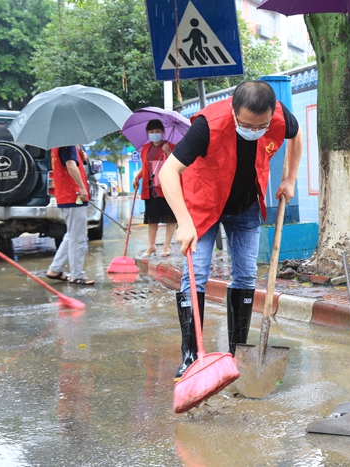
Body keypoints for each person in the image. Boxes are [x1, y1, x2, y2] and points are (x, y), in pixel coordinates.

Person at [159, 80, 302, 381]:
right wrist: (184, 222)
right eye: (246, 124)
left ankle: (237, 352)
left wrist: (290, 178)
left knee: (247, 274)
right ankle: (190, 356)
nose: (254, 130)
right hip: (204, 203)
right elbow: (168, 172)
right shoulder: (208, 125)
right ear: (233, 110)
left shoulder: (279, 116)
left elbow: (296, 134)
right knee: (195, 273)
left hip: (246, 204)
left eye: (261, 125)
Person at [45, 146, 95, 286]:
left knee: (71, 235)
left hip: (66, 195)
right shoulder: (67, 144)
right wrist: (82, 188)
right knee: (78, 237)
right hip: (73, 195)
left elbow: (72, 163)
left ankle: (55, 269)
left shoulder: (59, 145)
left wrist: (82, 158)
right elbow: (71, 166)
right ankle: (77, 275)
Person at [132, 120, 177, 258]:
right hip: (151, 188)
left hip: (167, 187)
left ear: (162, 132)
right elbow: (144, 167)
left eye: (157, 131)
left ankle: (166, 245)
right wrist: (137, 177)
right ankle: (151, 246)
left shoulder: (171, 146)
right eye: (151, 132)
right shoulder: (145, 148)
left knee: (170, 218)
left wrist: (168, 152)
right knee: (152, 219)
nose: (154, 134)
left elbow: (176, 165)